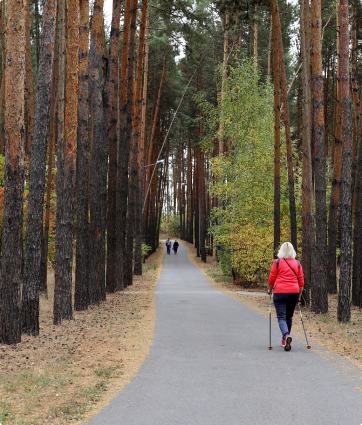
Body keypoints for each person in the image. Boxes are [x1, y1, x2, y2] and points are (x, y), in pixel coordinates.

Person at [268, 242, 304, 351]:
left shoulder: (277, 262)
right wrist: (299, 295)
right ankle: (285, 339)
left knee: (281, 317)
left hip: (280, 292)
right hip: (294, 292)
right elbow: (301, 282)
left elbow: (271, 278)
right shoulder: (297, 263)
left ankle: (286, 335)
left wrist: (269, 290)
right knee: (289, 317)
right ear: (293, 251)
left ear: (281, 251)